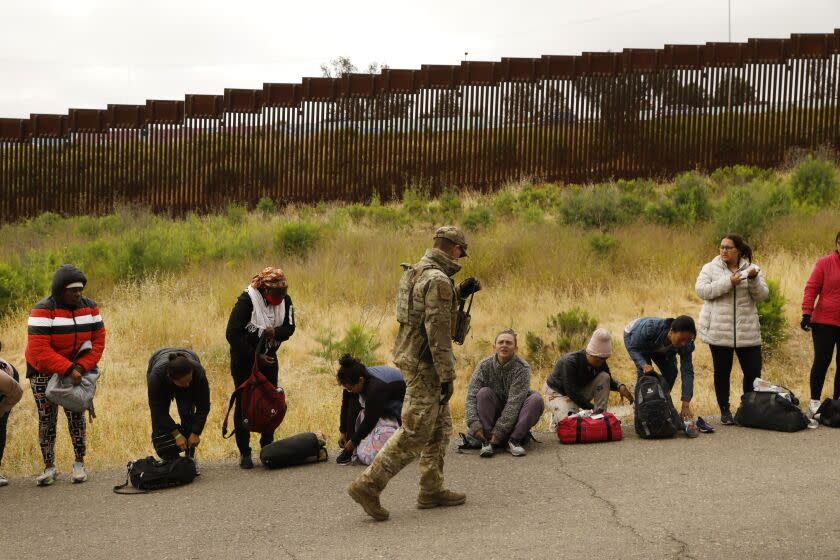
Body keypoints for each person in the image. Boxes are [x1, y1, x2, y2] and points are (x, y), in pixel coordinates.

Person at [347, 225, 480, 521]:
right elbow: (437, 332)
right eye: (461, 252)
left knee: (440, 427)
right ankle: (368, 485)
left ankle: (431, 489)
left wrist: (458, 293)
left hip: (413, 357)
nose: (462, 257)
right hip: (427, 366)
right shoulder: (437, 280)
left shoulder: (416, 272)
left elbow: (422, 311)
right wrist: (447, 375)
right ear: (454, 249)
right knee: (414, 430)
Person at [25, 264, 106, 486]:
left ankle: (79, 464)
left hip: (76, 370)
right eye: (72, 290)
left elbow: (99, 342)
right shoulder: (42, 310)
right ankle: (49, 467)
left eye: (80, 289)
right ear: (60, 290)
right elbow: (39, 350)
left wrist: (79, 368)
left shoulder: (90, 308)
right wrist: (68, 369)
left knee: (77, 415)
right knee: (47, 419)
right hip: (44, 372)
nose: (78, 294)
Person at [226, 267, 295, 469]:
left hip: (269, 358)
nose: (281, 297)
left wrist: (275, 332)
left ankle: (267, 446)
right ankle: (245, 453)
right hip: (244, 360)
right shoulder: (247, 300)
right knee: (244, 404)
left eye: (284, 293)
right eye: (277, 294)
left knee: (270, 401)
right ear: (265, 290)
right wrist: (255, 356)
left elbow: (290, 328)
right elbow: (232, 334)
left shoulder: (286, 301)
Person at [696, 234, 769, 425]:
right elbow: (702, 291)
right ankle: (725, 410)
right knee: (722, 372)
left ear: (738, 250)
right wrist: (729, 282)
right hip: (719, 331)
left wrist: (752, 279)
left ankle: (747, 408)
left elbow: (762, 295)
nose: (724, 251)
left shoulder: (752, 268)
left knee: (753, 371)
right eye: (721, 247)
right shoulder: (710, 268)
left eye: (728, 248)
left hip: (747, 331)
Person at [464, 329, 544, 458]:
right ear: (494, 347)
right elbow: (471, 396)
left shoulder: (522, 368)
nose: (504, 345)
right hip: (491, 417)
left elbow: (514, 403)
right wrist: (473, 424)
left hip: (515, 418)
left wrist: (499, 433)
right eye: (501, 342)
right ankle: (487, 441)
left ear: (515, 348)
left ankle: (514, 440)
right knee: (483, 393)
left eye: (508, 343)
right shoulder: (484, 365)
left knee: (536, 399)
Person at [544, 328, 633, 429]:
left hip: (577, 392)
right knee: (569, 425)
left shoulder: (600, 361)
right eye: (600, 358)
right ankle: (557, 417)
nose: (602, 362)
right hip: (558, 393)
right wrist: (591, 408)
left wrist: (619, 386)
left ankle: (600, 417)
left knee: (604, 376)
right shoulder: (570, 362)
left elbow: (608, 381)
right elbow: (571, 391)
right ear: (591, 353)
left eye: (605, 359)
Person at [623, 316, 697, 421]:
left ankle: (659, 403)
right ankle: (642, 408)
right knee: (646, 376)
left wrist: (686, 404)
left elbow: (687, 371)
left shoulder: (686, 344)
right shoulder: (650, 329)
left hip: (660, 347)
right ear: (671, 331)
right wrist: (643, 364)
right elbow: (634, 348)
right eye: (681, 339)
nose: (683, 343)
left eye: (688, 340)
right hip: (634, 336)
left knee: (671, 372)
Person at [336, 354, 406, 466]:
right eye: (346, 388)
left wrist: (353, 442)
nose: (348, 390)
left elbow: (370, 420)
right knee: (352, 400)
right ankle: (351, 443)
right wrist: (343, 432)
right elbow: (345, 405)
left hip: (400, 403)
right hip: (381, 398)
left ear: (361, 380)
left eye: (350, 388)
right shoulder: (355, 380)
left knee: (366, 425)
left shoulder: (375, 389)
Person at [146, 348, 210, 462]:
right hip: (157, 360)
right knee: (159, 423)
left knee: (186, 412)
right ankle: (169, 457)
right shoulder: (156, 378)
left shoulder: (198, 372)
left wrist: (196, 432)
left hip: (188, 355)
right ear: (171, 379)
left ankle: (189, 455)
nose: (187, 385)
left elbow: (203, 406)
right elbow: (158, 413)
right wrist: (176, 435)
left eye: (189, 381)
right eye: (183, 383)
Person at [801, 231, 840, 416]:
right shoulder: (825, 263)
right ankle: (815, 401)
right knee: (822, 361)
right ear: (836, 244)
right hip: (824, 321)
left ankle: (837, 402)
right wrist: (807, 313)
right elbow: (811, 288)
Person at [0, 342, 23, 487]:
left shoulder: (3, 378)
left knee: (0, 425)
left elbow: (17, 393)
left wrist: (1, 409)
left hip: (8, 391)